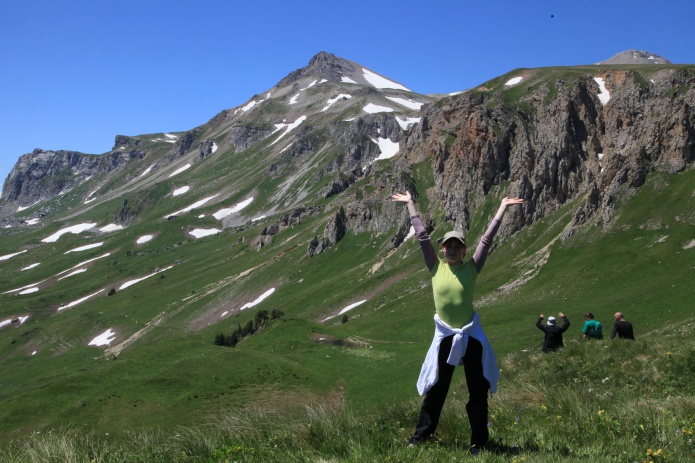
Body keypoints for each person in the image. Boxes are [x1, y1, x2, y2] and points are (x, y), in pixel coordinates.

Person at [392, 190, 524, 454]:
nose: (452, 249)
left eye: (457, 246)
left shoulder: (471, 268)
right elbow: (421, 236)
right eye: (448, 245)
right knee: (437, 390)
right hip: (445, 335)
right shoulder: (435, 267)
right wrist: (410, 205)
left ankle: (479, 443)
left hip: (470, 334)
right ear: (442, 249)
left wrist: (502, 208)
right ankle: (420, 439)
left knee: (478, 391)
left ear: (464, 250)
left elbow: (486, 240)